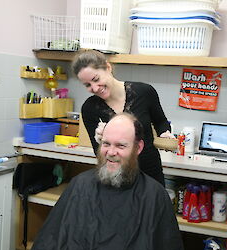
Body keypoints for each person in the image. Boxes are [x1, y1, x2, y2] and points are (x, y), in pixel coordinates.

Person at [27, 113, 185, 250]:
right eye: (106, 144)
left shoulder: (154, 195)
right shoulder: (80, 186)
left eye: (120, 146)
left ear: (138, 148)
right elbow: (49, 244)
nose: (111, 152)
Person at [72, 49, 174, 186]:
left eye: (96, 79)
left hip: (150, 172)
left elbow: (161, 122)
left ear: (108, 68)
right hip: (117, 176)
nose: (95, 88)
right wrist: (101, 140)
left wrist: (165, 133)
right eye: (87, 85)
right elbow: (99, 154)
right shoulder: (89, 108)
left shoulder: (144, 92)